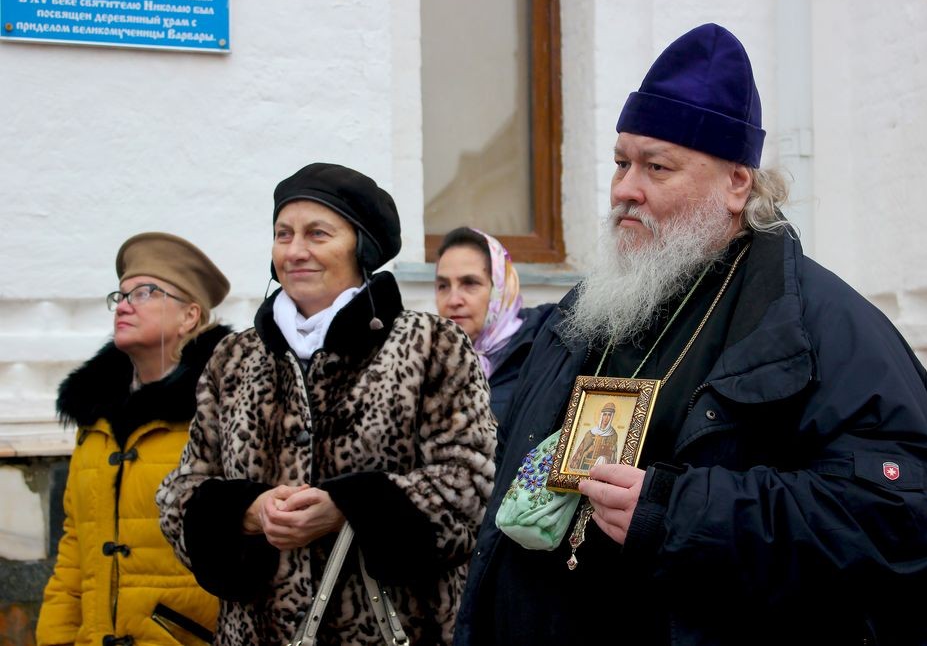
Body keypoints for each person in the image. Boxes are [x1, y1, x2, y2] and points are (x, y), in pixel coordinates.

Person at [456, 23, 927, 646]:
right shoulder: (584, 311)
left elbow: (897, 522)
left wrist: (677, 512)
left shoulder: (823, 328)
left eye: (656, 167)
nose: (625, 190)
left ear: (736, 183)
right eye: (621, 163)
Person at [156, 163, 496, 646]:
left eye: (318, 234)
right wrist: (248, 511)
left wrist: (348, 508)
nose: (295, 251)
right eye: (283, 234)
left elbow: (470, 488)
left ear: (363, 247)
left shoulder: (432, 345)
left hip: (394, 630)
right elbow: (179, 495)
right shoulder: (234, 357)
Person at [36, 232, 230, 646]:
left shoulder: (222, 410)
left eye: (144, 293)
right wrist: (55, 637)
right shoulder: (96, 420)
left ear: (189, 316)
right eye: (121, 296)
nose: (124, 305)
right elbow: (75, 548)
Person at [435, 227, 554, 422]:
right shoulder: (429, 362)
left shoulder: (544, 352)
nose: (453, 300)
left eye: (470, 283)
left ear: (501, 288)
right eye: (443, 286)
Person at [567, 402, 619, 472]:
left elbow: (613, 457)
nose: (606, 418)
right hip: (585, 467)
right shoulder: (591, 433)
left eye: (609, 415)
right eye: (604, 414)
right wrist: (588, 451)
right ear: (601, 415)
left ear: (612, 417)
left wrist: (603, 457)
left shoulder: (613, 435)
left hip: (603, 469)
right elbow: (579, 455)